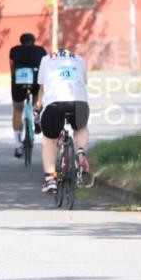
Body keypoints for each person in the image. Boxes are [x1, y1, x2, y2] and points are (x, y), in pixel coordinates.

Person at [36, 48, 91, 193]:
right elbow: (83, 83)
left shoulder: (46, 59)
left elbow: (42, 89)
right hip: (79, 103)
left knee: (50, 141)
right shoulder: (79, 59)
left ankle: (50, 179)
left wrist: (38, 108)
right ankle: (80, 151)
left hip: (55, 104)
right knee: (80, 128)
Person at [9, 32, 48, 158]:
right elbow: (44, 68)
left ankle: (17, 144)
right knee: (37, 98)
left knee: (17, 109)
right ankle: (37, 117)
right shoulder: (41, 50)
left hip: (18, 80)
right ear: (34, 41)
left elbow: (12, 66)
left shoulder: (14, 50)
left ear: (21, 41)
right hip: (35, 78)